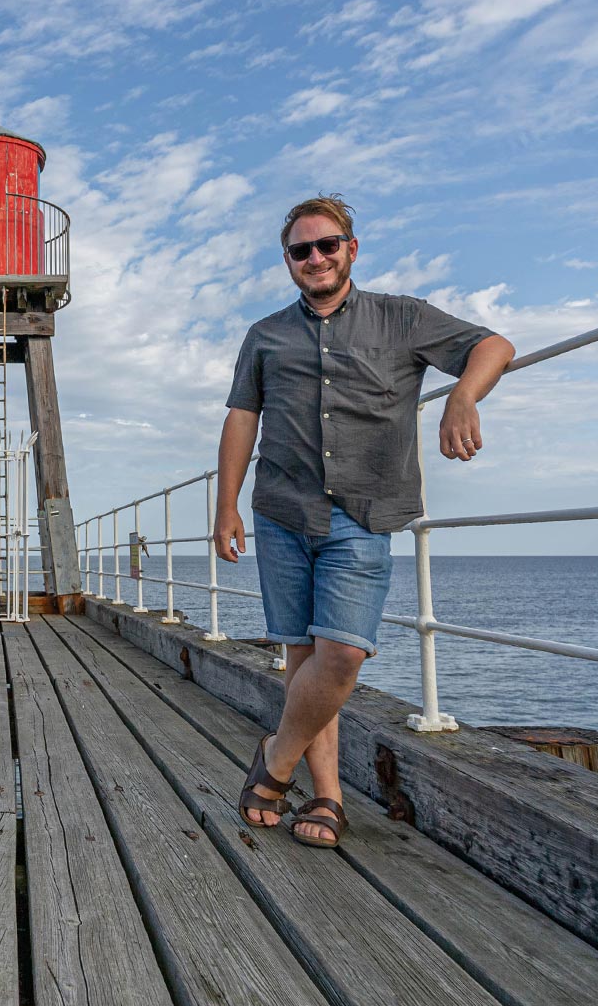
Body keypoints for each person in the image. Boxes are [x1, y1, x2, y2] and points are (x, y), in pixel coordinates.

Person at [214, 194, 515, 847]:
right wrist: (225, 506)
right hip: (281, 510)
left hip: (363, 510)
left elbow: (494, 344)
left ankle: (275, 760)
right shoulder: (265, 336)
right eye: (302, 250)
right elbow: (242, 417)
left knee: (343, 654)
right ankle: (327, 797)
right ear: (288, 261)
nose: (316, 257)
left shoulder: (403, 318)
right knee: (302, 660)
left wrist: (462, 393)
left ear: (352, 248)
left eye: (328, 245)